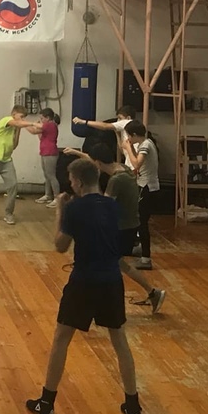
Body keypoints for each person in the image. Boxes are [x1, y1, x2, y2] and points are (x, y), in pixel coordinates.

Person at [25, 159, 143, 414]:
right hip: (112, 280)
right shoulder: (112, 206)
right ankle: (133, 404)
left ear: (77, 181)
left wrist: (60, 210)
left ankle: (47, 402)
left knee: (61, 339)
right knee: (119, 340)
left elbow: (60, 246)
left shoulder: (74, 208)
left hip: (84, 281)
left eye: (71, 180)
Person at [83, 143, 166, 314]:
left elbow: (104, 207)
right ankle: (152, 293)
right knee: (117, 264)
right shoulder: (124, 169)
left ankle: (109, 303)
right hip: (128, 226)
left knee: (108, 265)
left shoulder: (116, 180)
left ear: (98, 163)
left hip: (121, 229)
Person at [120, 121, 160, 270]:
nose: (128, 139)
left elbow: (137, 164)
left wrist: (128, 148)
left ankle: (146, 258)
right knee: (139, 220)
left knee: (142, 223)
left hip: (147, 187)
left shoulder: (146, 145)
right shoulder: (146, 143)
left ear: (135, 134)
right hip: (145, 186)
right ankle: (141, 249)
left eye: (129, 136)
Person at [71, 104, 136, 166]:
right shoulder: (124, 130)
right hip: (129, 163)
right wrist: (117, 134)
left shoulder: (126, 122)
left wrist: (83, 121)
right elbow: (122, 150)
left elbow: (104, 126)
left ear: (128, 118)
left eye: (120, 118)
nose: (118, 121)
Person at [28, 108, 62, 205]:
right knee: (47, 175)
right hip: (44, 152)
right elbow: (37, 134)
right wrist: (28, 126)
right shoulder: (46, 126)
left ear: (47, 118)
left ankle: (57, 197)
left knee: (51, 175)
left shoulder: (50, 124)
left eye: (42, 118)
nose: (41, 120)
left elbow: (35, 129)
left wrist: (27, 123)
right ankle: (48, 195)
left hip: (50, 152)